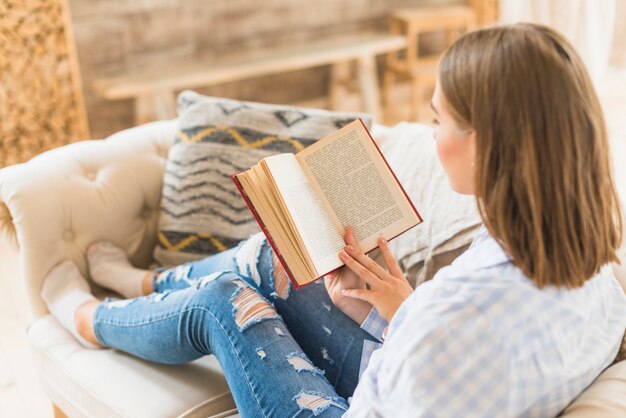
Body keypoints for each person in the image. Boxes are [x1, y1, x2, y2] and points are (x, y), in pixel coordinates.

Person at [41, 23, 626, 417]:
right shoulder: (592, 272)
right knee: (281, 259)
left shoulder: (457, 314)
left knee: (226, 299)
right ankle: (148, 284)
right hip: (409, 373)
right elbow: (453, 358)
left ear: (486, 144)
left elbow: (437, 353)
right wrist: (396, 305)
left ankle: (92, 318)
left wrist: (412, 319)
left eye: (439, 120)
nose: (430, 134)